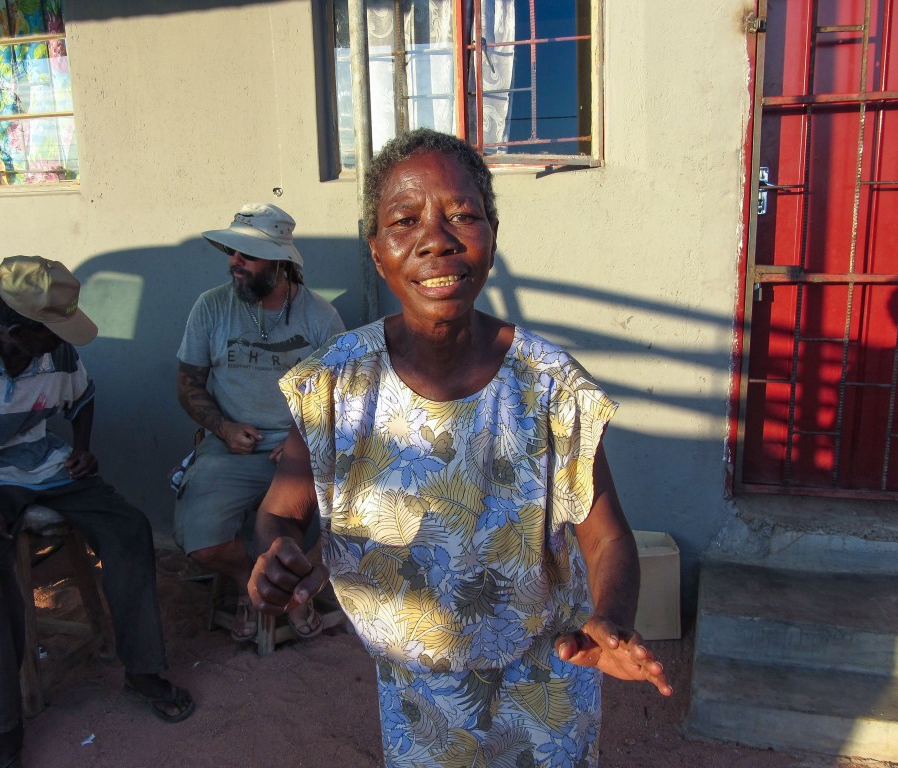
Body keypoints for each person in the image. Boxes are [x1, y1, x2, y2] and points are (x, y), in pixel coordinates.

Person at [248, 129, 672, 767]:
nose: (436, 239)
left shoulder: (550, 388)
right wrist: (275, 552)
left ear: (492, 237)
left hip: (547, 676)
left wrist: (611, 618)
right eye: (404, 221)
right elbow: (280, 512)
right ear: (377, 251)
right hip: (416, 695)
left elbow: (607, 538)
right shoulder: (335, 386)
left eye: (463, 215)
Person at [0, 256, 194, 768]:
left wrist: (81, 448)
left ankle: (142, 670)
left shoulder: (55, 351)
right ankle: (4, 725)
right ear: (17, 331)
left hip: (39, 463)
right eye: (52, 332)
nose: (63, 342)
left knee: (128, 528)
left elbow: (82, 399)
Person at [175, 202, 344, 643]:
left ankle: (293, 591)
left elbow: (342, 396)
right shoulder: (211, 307)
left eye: (248, 254)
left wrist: (301, 438)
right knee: (200, 542)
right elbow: (188, 383)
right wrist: (223, 428)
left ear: (280, 263)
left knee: (356, 516)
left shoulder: (320, 317)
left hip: (300, 451)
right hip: (231, 446)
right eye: (232, 251)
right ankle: (251, 583)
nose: (235, 261)